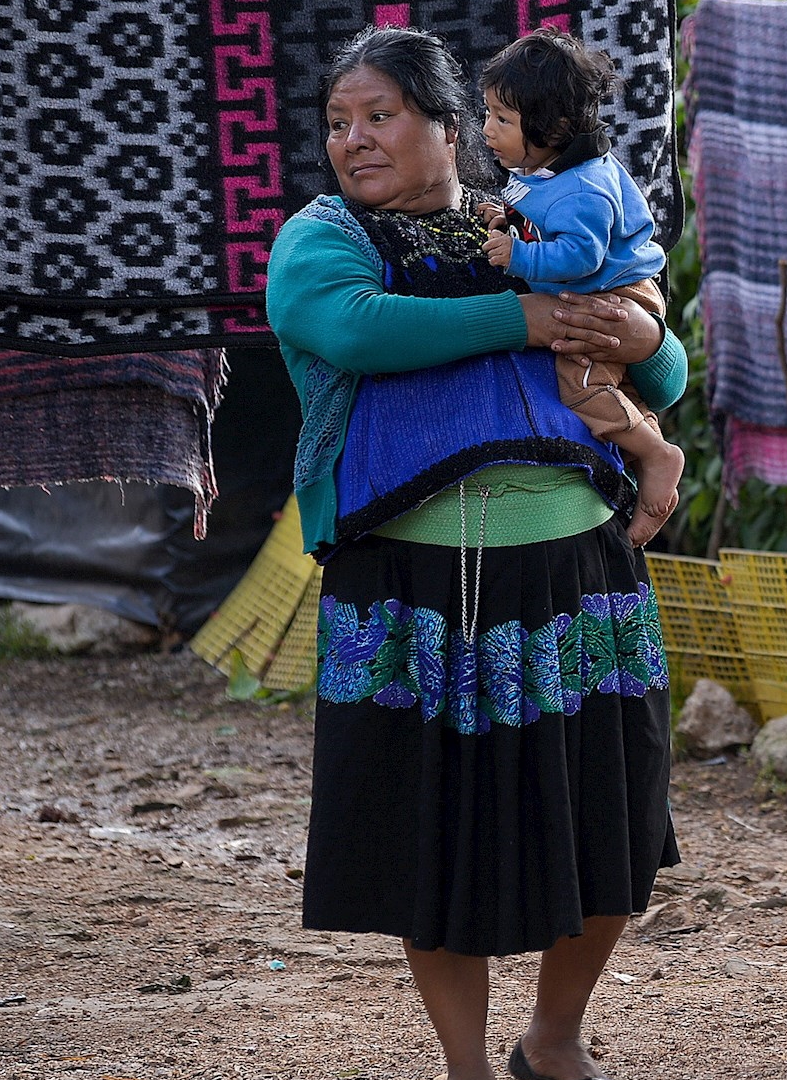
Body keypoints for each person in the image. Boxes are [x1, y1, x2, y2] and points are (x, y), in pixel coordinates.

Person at [264, 25, 683, 1080]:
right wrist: (527, 318)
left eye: (380, 115)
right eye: (338, 122)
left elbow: (664, 368)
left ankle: (554, 1038)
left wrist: (642, 337)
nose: (354, 140)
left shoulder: (532, 221)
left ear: (450, 128)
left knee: (611, 819)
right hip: (414, 584)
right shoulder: (322, 238)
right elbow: (355, 331)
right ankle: (465, 1067)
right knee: (435, 836)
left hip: (581, 571)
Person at [475, 26, 684, 549]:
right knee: (620, 393)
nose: (487, 130)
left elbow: (580, 255)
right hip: (610, 291)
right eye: (488, 114)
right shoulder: (547, 166)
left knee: (584, 387)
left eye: (503, 119)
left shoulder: (582, 189)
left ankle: (657, 455)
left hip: (612, 297)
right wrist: (509, 217)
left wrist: (519, 255)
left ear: (556, 126)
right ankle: (649, 472)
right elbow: (541, 216)